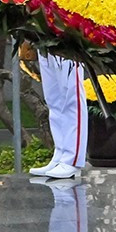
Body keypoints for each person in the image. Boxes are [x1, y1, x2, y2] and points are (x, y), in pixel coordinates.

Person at [28, 49, 88, 181]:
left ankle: (72, 159)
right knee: (53, 100)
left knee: (72, 98)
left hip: (67, 42)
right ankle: (60, 155)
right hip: (44, 42)